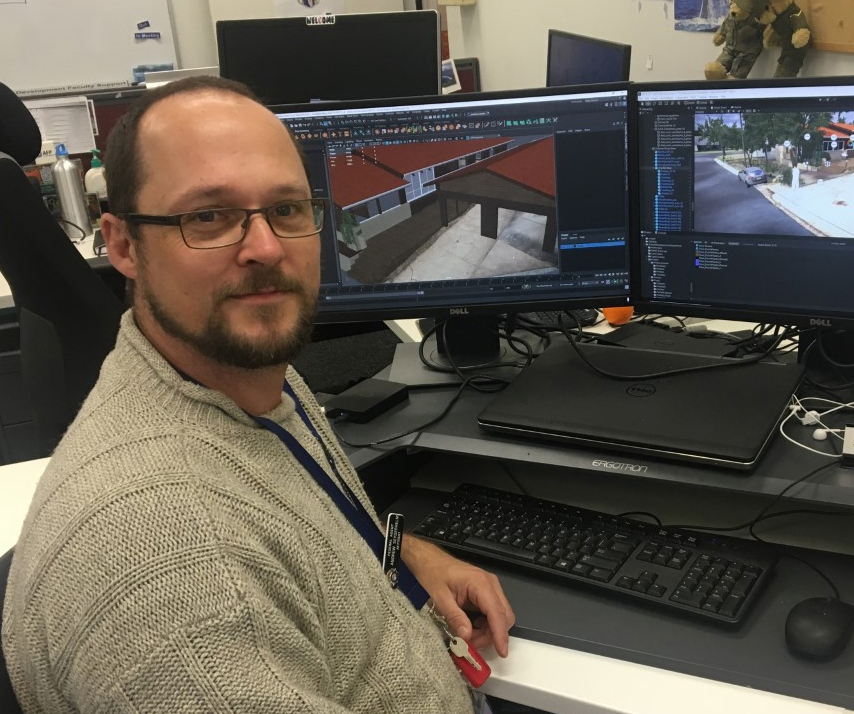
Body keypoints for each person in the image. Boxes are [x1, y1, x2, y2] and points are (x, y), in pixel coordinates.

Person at [2, 76, 515, 714]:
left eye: (287, 209)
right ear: (124, 245)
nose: (266, 248)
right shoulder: (177, 576)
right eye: (209, 216)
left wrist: (398, 552)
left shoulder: (242, 375)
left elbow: (290, 508)